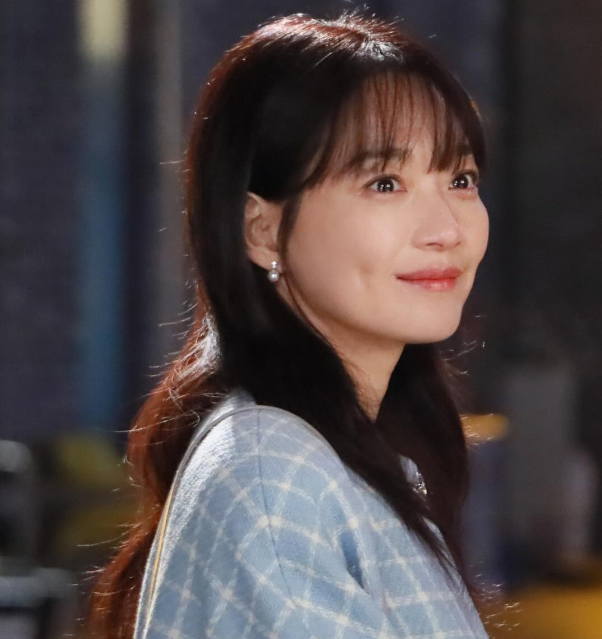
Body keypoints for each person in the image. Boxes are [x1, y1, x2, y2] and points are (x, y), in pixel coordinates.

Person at [85, 10, 490, 639]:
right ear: (263, 230)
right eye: (385, 183)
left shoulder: (344, 455)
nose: (447, 230)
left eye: (460, 180)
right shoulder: (275, 474)